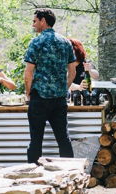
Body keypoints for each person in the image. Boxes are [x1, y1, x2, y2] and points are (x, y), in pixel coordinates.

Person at [24, 9, 77, 164]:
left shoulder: (36, 42)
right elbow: (72, 71)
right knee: (63, 138)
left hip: (39, 97)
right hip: (59, 99)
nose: (33, 24)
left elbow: (28, 73)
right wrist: (64, 88)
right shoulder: (65, 42)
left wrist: (28, 93)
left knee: (36, 140)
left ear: (43, 21)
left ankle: (34, 175)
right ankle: (70, 173)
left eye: (35, 21)